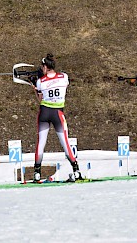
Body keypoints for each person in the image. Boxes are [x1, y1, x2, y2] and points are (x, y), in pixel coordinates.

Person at [32, 53, 81, 182]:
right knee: (65, 142)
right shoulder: (64, 77)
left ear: (45, 67)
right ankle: (76, 170)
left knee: (41, 143)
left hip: (44, 112)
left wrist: (35, 88)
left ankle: (37, 172)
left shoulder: (40, 81)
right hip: (58, 112)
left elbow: (40, 99)